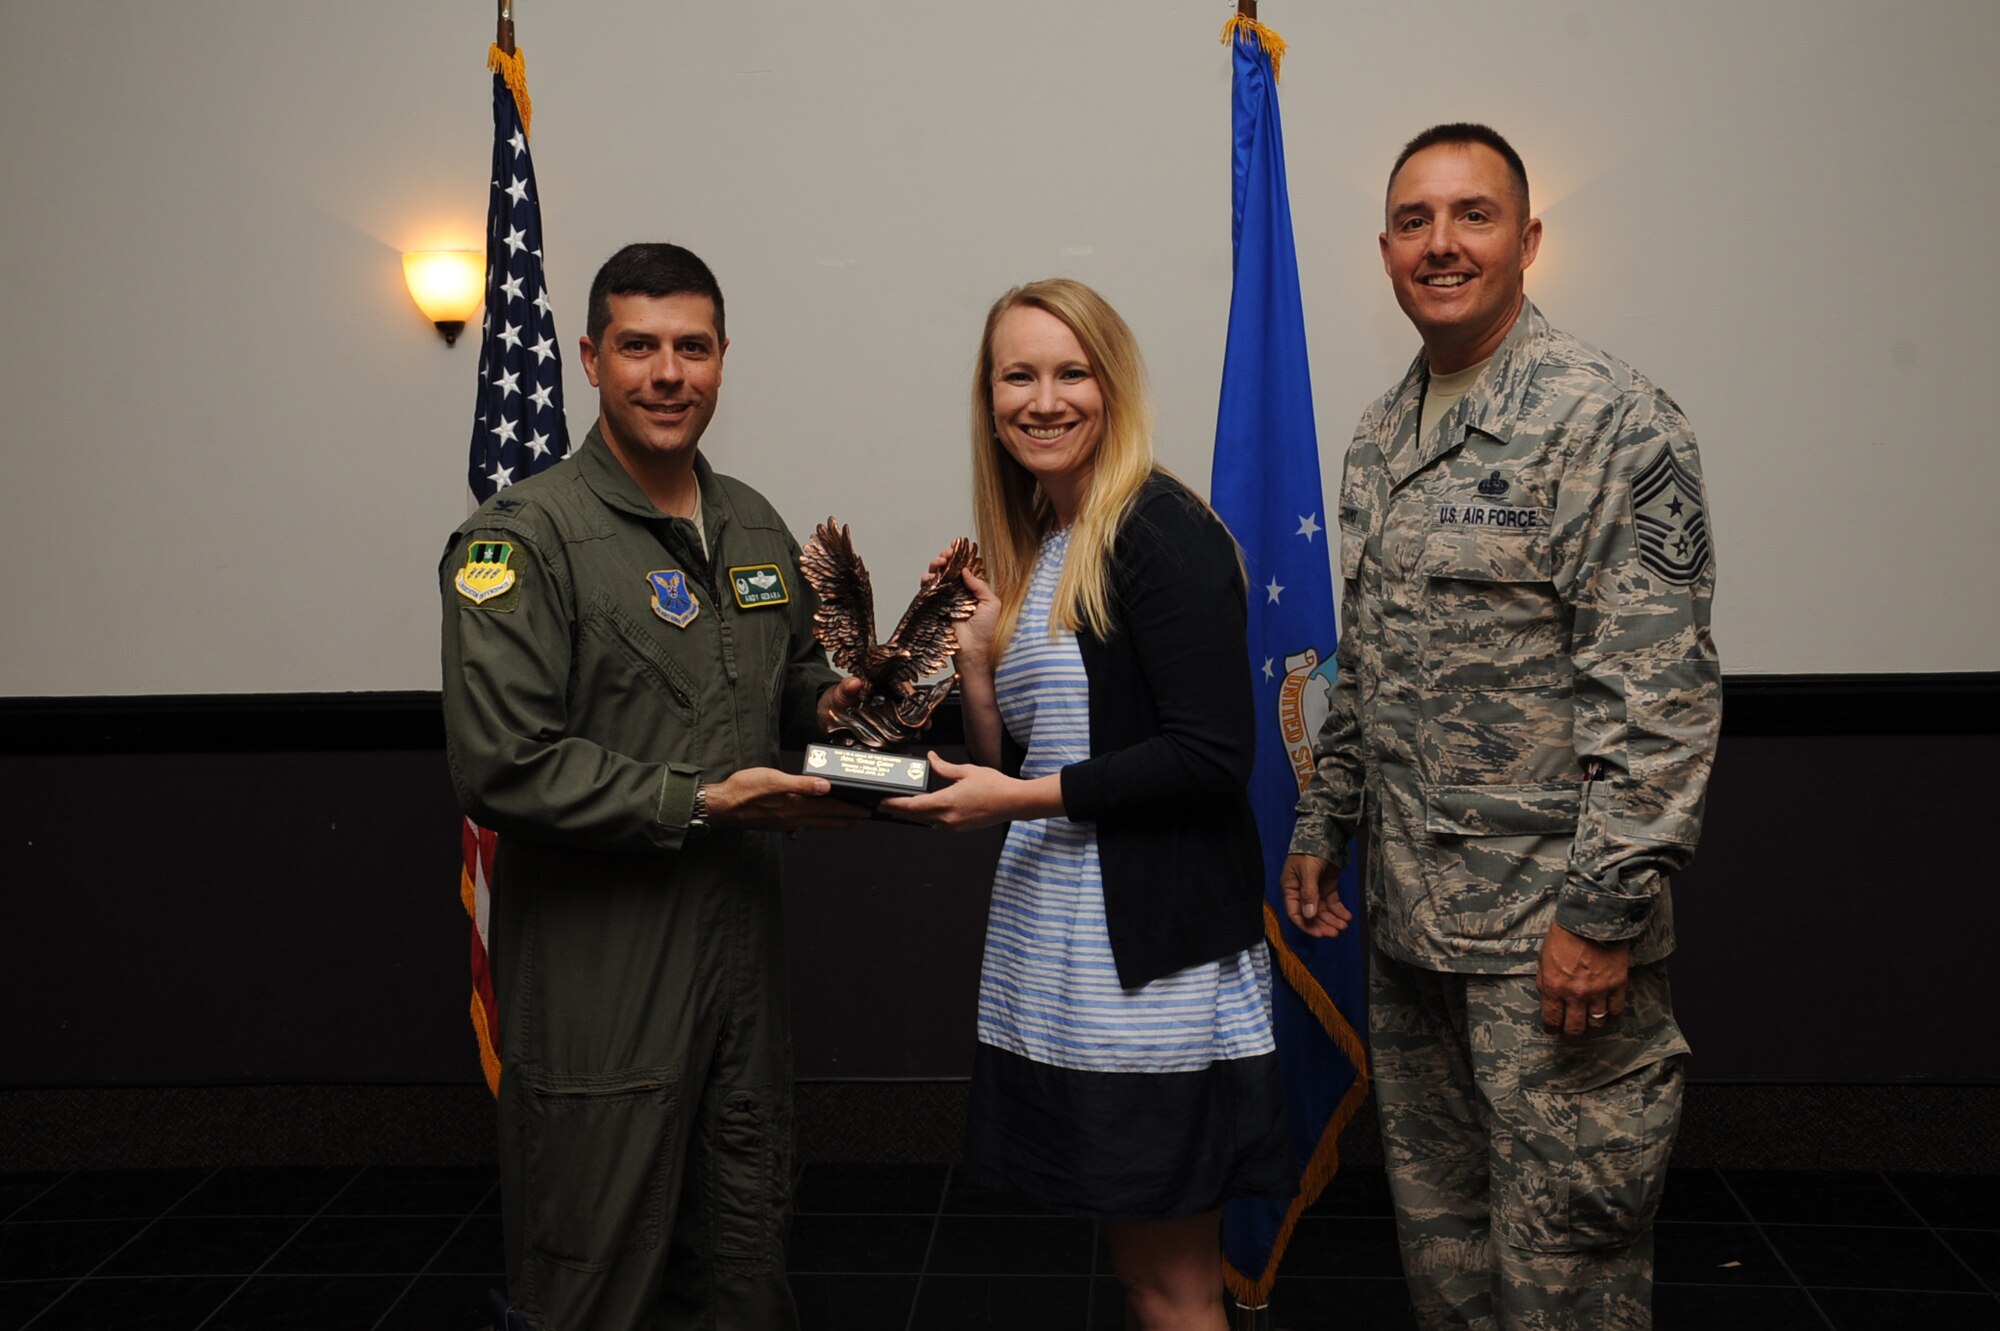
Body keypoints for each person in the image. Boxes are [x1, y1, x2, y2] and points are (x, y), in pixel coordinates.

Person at [1282, 124, 1721, 1329]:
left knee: (1563, 1284)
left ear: (1526, 239)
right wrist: (1326, 818)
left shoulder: (1610, 422)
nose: (1441, 243)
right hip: (1414, 938)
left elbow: (1658, 701)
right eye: (1414, 221)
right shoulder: (1382, 434)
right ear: (1384, 251)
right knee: (1450, 1272)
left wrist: (1598, 916)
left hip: (1552, 958)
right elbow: (1364, 664)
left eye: (1471, 215)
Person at [439, 242, 870, 1331]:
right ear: (589, 358)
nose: (666, 373)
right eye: (638, 347)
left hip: (741, 968)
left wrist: (848, 711)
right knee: (592, 1274)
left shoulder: (755, 527)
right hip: (600, 983)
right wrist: (703, 802)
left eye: (691, 347)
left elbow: (795, 689)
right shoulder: (523, 538)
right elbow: (504, 758)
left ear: (722, 359)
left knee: (741, 1260)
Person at [884, 278, 1293, 1331]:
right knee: (1141, 1272)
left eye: (1071, 372)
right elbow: (1027, 751)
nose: (1043, 398)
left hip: (1146, 968)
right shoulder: (1047, 541)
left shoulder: (1158, 528)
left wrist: (1011, 796)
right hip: (1063, 954)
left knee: (1174, 1282)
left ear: (1111, 386)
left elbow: (1210, 755)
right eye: (1016, 375)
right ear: (988, 397)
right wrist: (975, 663)